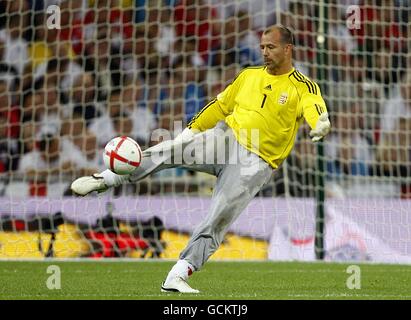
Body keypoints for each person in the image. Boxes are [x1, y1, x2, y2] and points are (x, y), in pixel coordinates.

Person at [70, 25, 331, 293]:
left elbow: (315, 108)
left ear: (288, 49)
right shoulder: (248, 76)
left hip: (256, 161)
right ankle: (106, 178)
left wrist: (319, 123)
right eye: (262, 47)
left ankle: (178, 273)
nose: (264, 52)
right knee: (170, 149)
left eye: (271, 47)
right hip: (225, 138)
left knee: (219, 216)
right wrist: (191, 131)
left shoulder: (303, 85)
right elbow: (219, 106)